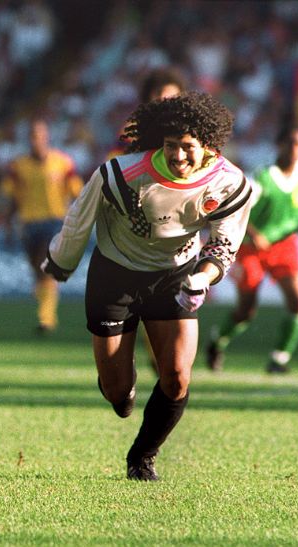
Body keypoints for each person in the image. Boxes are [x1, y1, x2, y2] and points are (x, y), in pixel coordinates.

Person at [41, 92, 252, 481]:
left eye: (188, 147)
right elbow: (78, 219)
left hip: (176, 275)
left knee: (177, 376)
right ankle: (120, 386)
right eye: (171, 146)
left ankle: (143, 457)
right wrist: (60, 260)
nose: (178, 156)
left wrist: (201, 279)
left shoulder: (229, 183)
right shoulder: (120, 174)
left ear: (208, 146)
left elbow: (225, 244)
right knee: (118, 395)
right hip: (115, 276)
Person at [207, 127, 298, 374]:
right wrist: (254, 235)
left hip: (285, 244)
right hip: (250, 247)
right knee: (246, 309)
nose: (295, 149)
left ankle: (280, 358)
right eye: (290, 143)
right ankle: (217, 341)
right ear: (279, 146)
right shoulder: (262, 176)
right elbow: (237, 208)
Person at [107, 67, 188, 370]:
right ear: (149, 99)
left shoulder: (193, 133)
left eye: (172, 97)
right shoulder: (134, 132)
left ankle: (168, 356)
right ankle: (158, 355)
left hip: (180, 222)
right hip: (140, 221)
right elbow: (115, 166)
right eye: (160, 97)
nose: (166, 103)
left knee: (178, 296)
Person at [1, 118, 83, 334]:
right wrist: (8, 226)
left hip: (54, 221)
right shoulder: (18, 166)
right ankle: (47, 309)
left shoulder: (62, 162)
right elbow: (13, 199)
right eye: (32, 136)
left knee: (44, 265)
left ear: (47, 137)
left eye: (40, 136)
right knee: (37, 272)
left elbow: (77, 192)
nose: (36, 140)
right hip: (29, 223)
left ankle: (45, 318)